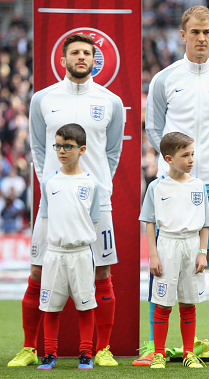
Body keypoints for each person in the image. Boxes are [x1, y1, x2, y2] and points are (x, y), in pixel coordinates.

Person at [9, 33, 124, 368]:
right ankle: (31, 348)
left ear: (94, 60)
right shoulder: (43, 99)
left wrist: (100, 184)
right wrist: (49, 183)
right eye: (74, 52)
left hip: (97, 202)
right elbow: (39, 148)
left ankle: (101, 349)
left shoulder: (111, 101)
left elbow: (112, 151)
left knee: (102, 273)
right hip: (53, 202)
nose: (81, 57)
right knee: (37, 271)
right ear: (63, 59)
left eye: (87, 53)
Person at [144, 5, 209, 366]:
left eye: (207, 32)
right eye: (195, 32)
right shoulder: (165, 79)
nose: (201, 38)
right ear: (182, 35)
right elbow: (155, 131)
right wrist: (177, 166)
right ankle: (154, 346)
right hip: (170, 186)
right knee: (162, 262)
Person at [139, 132, 209, 369]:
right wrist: (153, 255)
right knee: (163, 303)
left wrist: (202, 252)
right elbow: (149, 222)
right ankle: (158, 353)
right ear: (169, 158)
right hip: (167, 245)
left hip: (191, 245)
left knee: (188, 303)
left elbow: (205, 223)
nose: (192, 159)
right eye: (186, 155)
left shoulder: (198, 185)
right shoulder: (156, 186)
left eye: (193, 154)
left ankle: (189, 353)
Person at [36, 123, 101, 370]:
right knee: (51, 307)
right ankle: (49, 354)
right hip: (54, 254)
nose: (61, 151)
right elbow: (44, 218)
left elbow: (94, 220)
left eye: (67, 146)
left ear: (82, 149)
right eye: (58, 146)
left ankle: (86, 354)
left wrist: (81, 240)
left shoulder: (91, 183)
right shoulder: (50, 182)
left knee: (86, 306)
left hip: (81, 254)